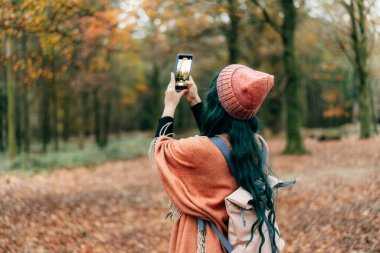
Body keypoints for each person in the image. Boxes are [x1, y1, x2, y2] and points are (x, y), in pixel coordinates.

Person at [149, 64, 278, 253]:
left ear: (216, 101)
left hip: (202, 242)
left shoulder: (201, 150)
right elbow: (216, 144)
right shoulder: (258, 146)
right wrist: (194, 100)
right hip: (241, 242)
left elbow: (159, 150)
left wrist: (169, 105)